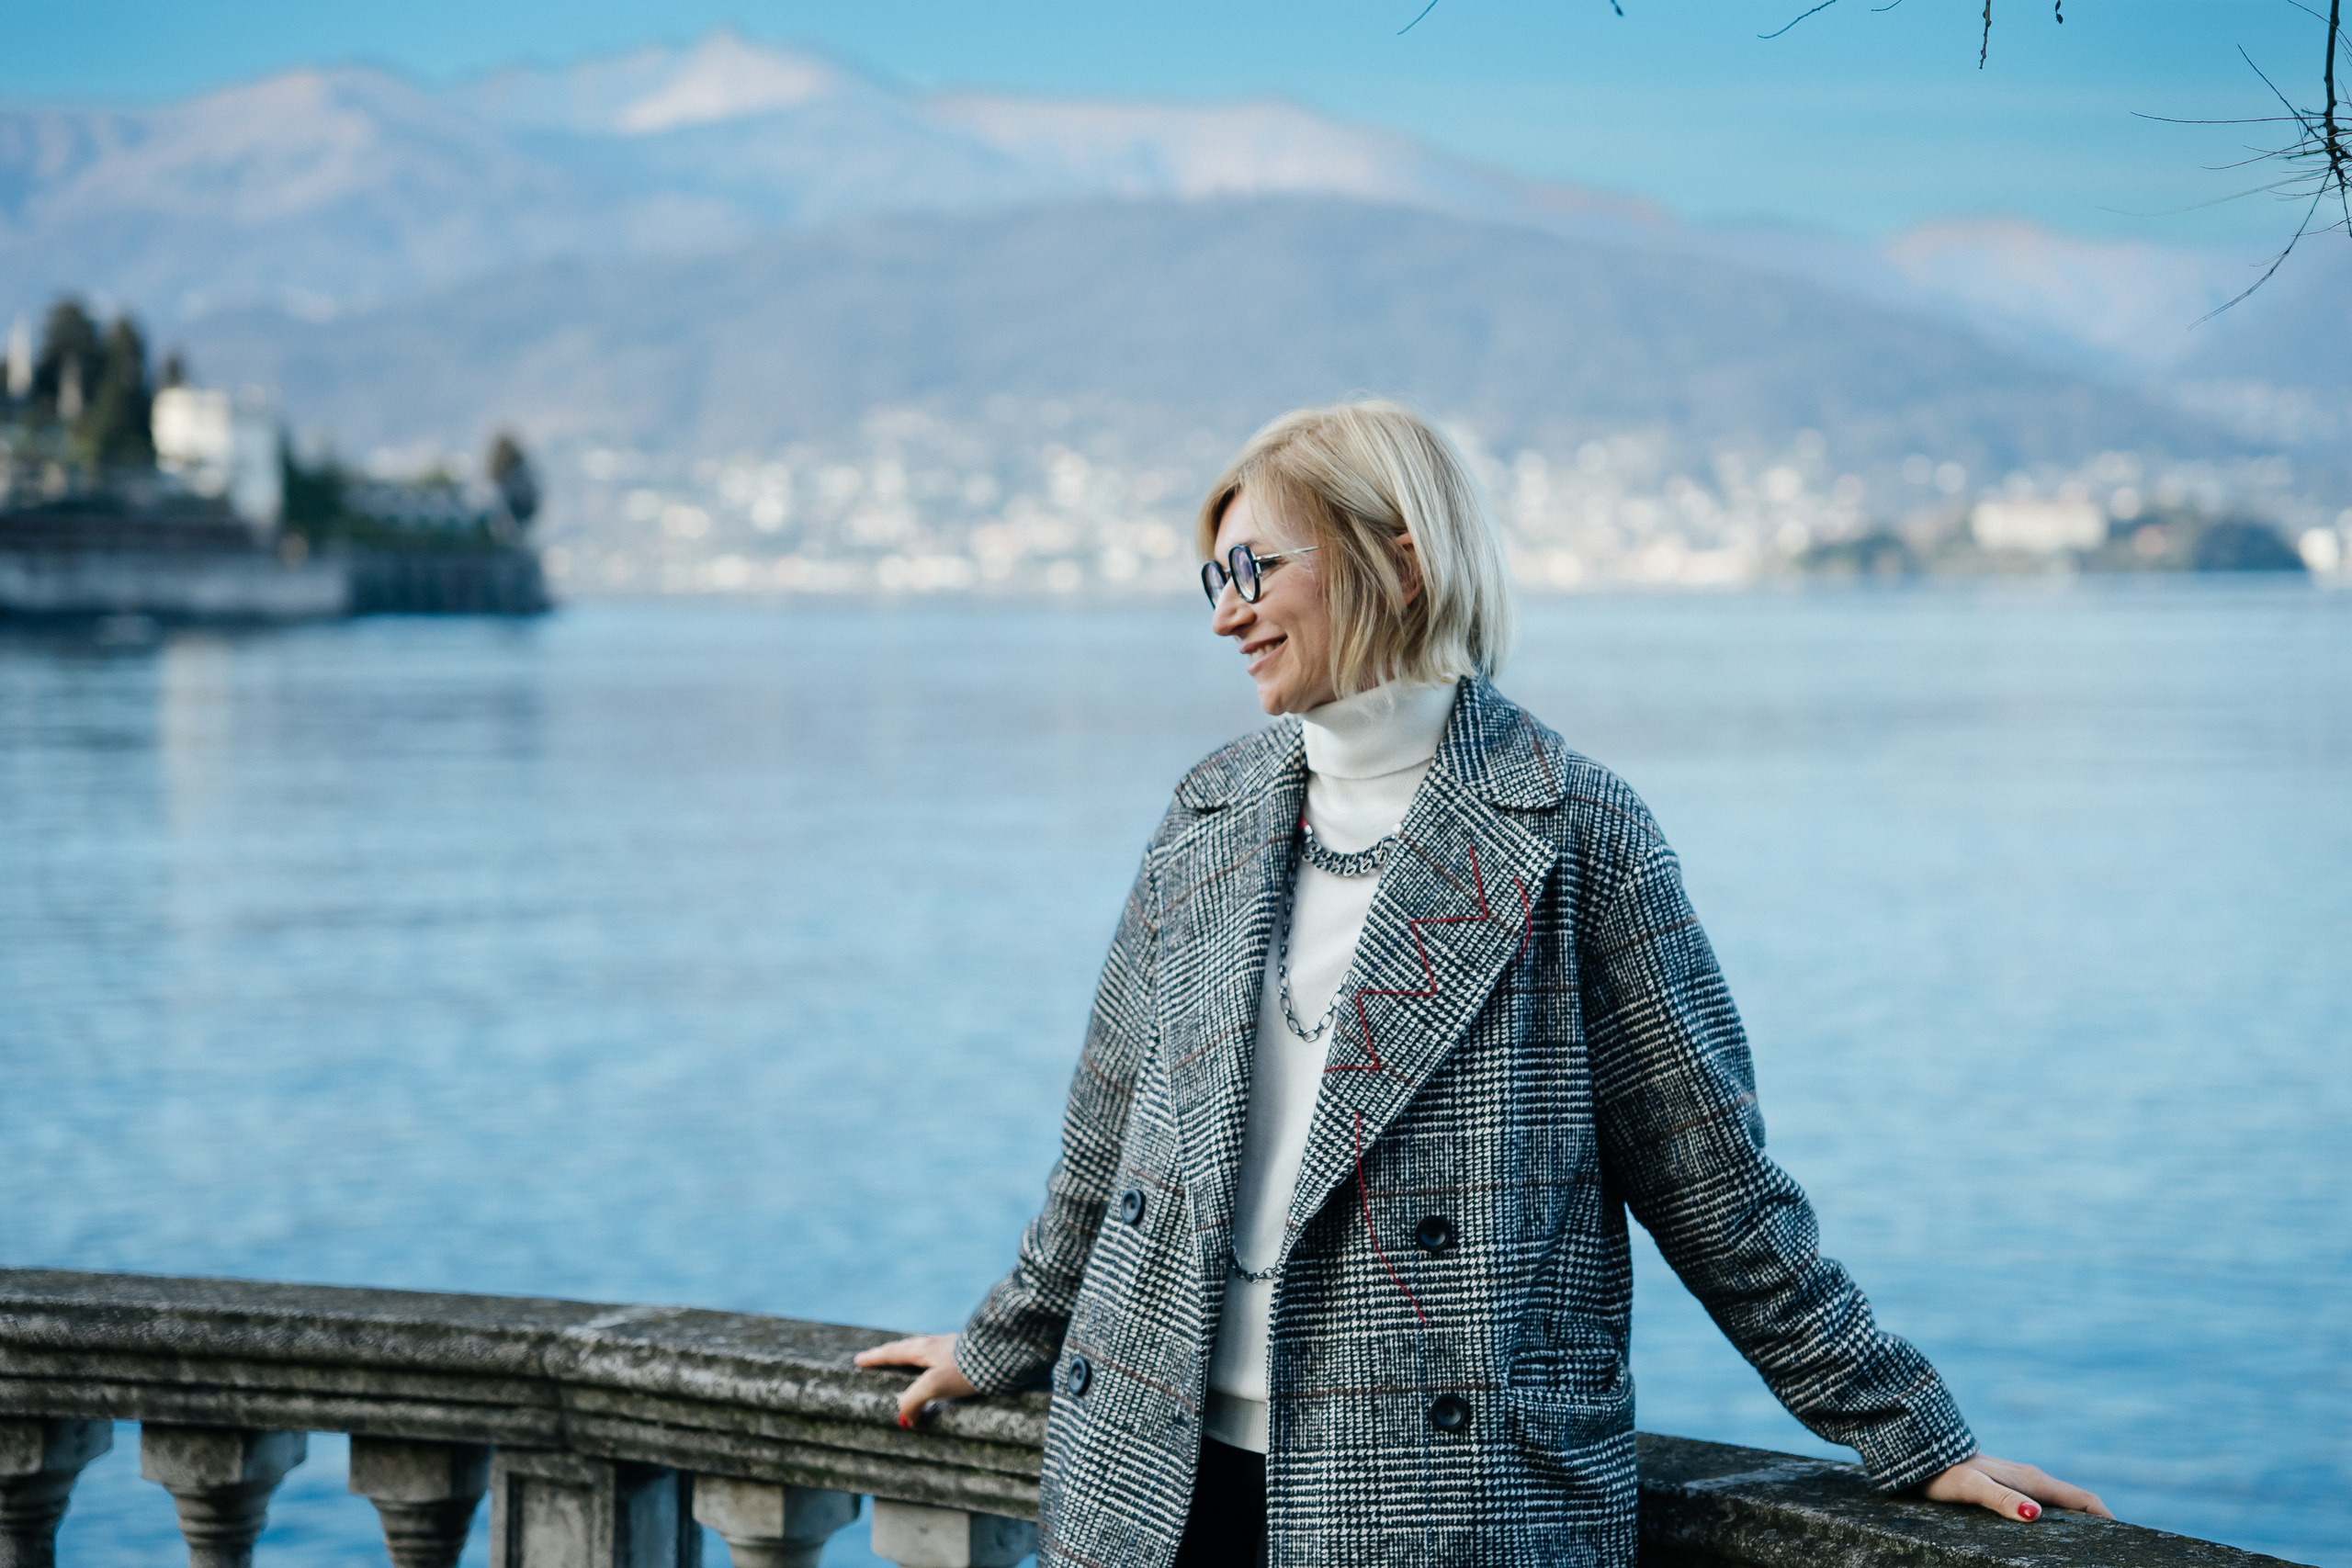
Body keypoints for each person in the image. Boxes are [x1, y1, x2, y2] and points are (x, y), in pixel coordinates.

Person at [858, 401, 2109, 1565]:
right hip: (1151, 1476)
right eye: (1213, 578)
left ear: (1397, 562)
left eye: (1256, 571)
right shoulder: (1212, 810)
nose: (1224, 615)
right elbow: (1108, 1150)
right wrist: (1002, 1339)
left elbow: (1715, 1185)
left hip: (1437, 1504)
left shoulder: (1576, 834)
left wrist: (1910, 1432)